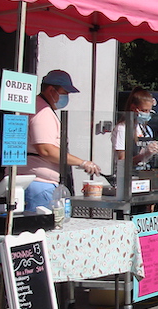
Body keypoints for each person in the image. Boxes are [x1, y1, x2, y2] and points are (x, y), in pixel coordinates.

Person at [20, 69, 100, 212]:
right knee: (42, 224)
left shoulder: (38, 107)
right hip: (39, 184)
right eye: (64, 93)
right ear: (51, 90)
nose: (66, 97)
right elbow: (46, 149)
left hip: (35, 182)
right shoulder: (42, 112)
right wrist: (82, 162)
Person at [112, 87, 158, 167]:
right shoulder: (122, 128)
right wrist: (143, 155)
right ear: (133, 108)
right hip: (129, 173)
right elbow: (121, 161)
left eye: (149, 111)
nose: (147, 114)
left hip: (145, 172)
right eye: (144, 110)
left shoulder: (146, 129)